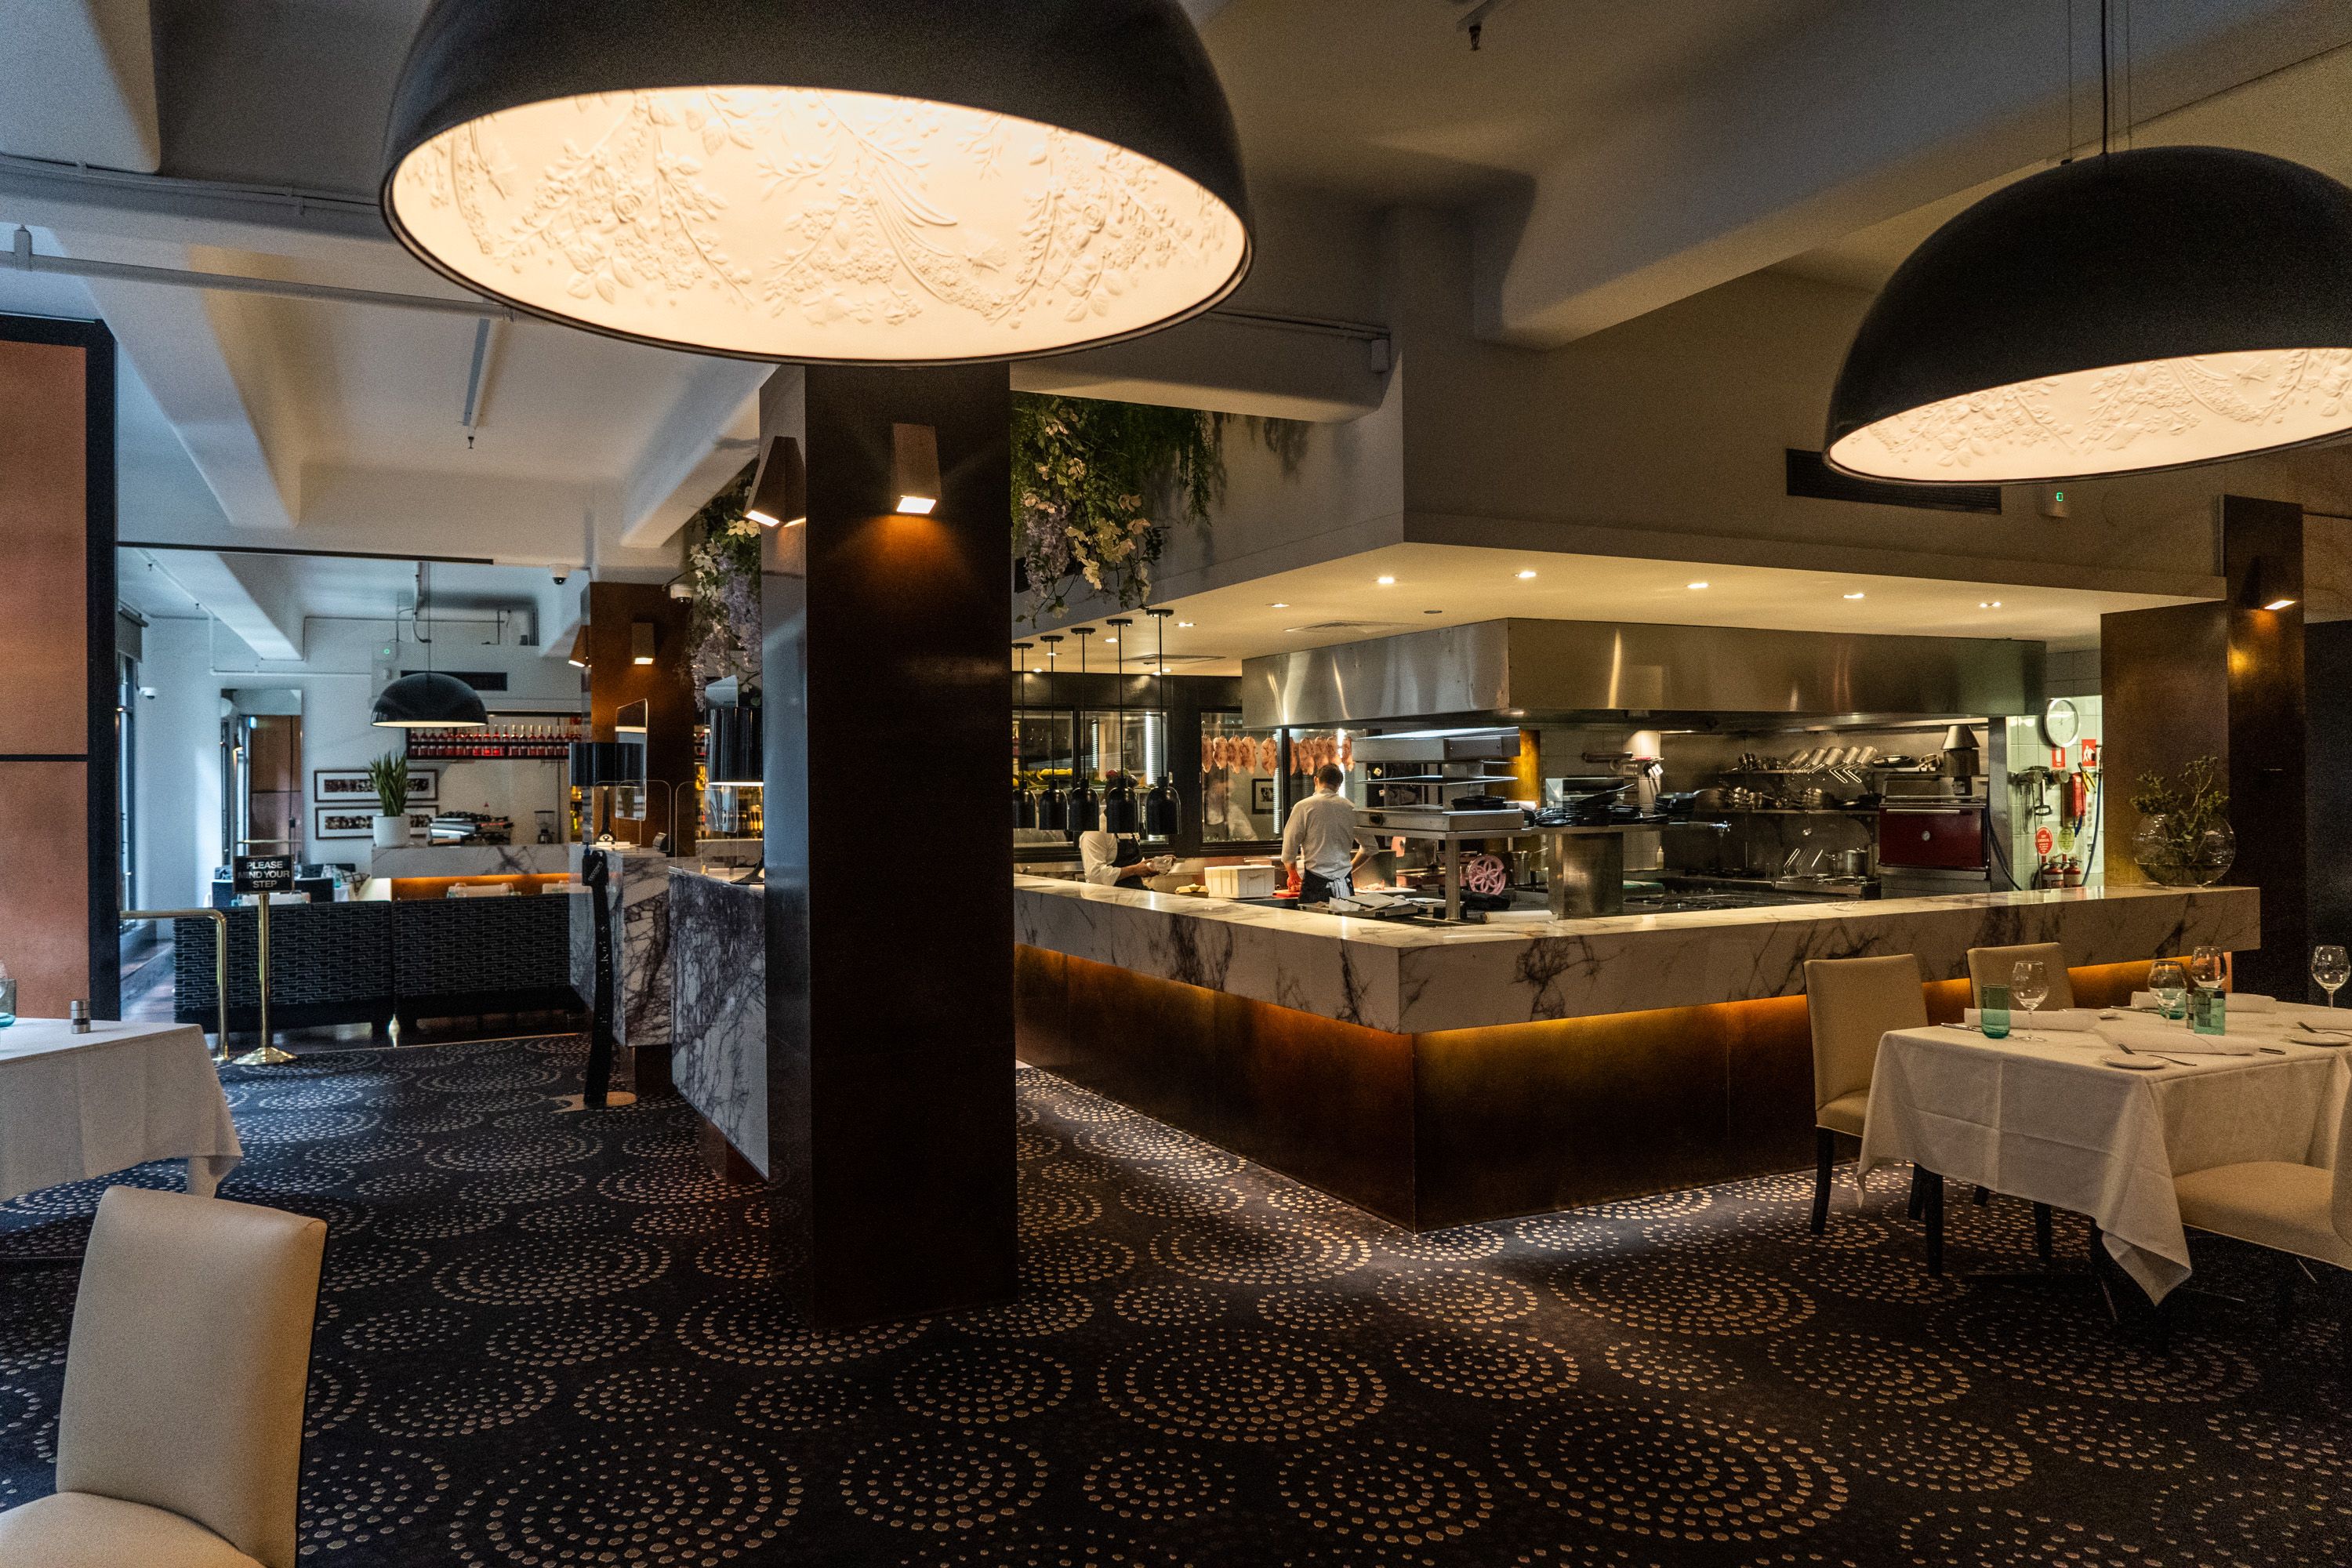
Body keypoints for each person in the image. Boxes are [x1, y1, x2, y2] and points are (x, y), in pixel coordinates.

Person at [1281, 762, 1362, 905]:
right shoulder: (1352, 808)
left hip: (1315, 886)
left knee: (1314, 919)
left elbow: (1289, 850)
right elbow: (1370, 848)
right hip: (1345, 884)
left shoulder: (1303, 807)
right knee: (1345, 919)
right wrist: (1349, 867)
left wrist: (1292, 875)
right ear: (1339, 785)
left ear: (1316, 780)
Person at [1078, 827, 1173, 887]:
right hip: (1107, 901)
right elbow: (1095, 876)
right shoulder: (1096, 832)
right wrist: (1133, 870)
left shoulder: (1130, 830)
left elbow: (1137, 864)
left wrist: (1155, 864)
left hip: (1135, 894)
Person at [1200, 768, 1258, 841]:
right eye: (1227, 790)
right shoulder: (1196, 804)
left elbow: (1252, 838)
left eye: (1232, 792)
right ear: (1215, 784)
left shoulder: (1233, 810)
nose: (1229, 795)